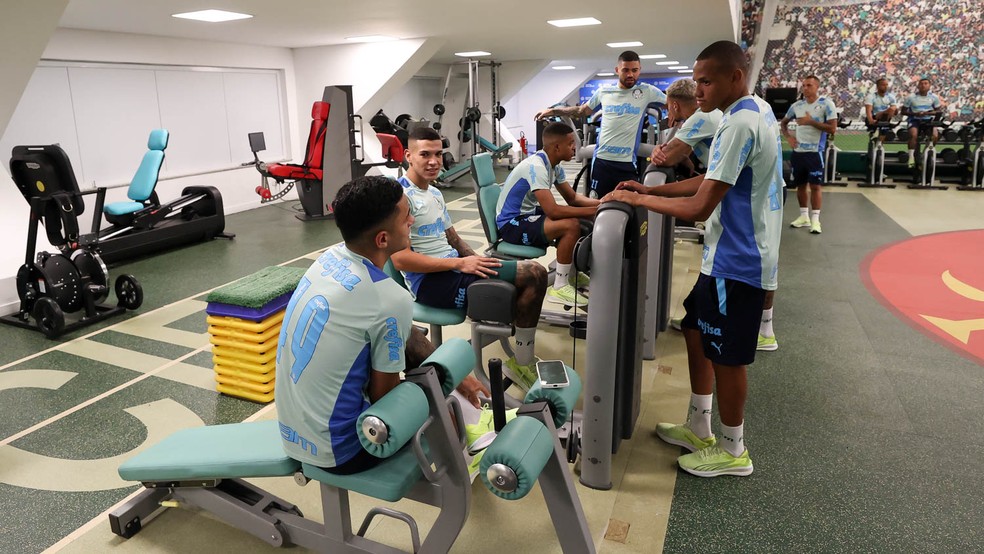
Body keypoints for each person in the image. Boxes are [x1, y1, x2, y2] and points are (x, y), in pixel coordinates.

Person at [602, 40, 783, 477]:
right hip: (725, 254)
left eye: (706, 82)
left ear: (734, 78)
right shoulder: (753, 109)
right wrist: (649, 189)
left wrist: (642, 202)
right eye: (696, 81)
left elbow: (700, 207)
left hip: (738, 261)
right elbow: (709, 180)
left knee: (727, 356)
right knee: (693, 329)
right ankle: (700, 426)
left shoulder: (740, 122)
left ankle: (733, 450)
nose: (697, 91)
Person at [275, 175, 490, 476]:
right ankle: (465, 455)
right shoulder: (390, 298)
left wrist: (457, 378)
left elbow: (400, 331)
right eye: (406, 218)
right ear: (383, 240)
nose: (413, 219)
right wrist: (444, 389)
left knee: (435, 371)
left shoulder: (328, 258)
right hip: (345, 449)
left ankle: (465, 404)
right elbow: (384, 398)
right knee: (436, 397)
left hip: (294, 432)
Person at [391, 127, 549, 391]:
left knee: (531, 274)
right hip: (429, 284)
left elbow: (453, 239)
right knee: (533, 274)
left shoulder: (435, 193)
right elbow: (401, 260)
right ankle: (521, 362)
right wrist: (460, 264)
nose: (433, 161)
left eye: (438, 154)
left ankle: (521, 358)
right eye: (425, 154)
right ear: (409, 155)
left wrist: (479, 262)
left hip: (453, 269)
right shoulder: (400, 197)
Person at [534, 50, 666, 199]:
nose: (630, 75)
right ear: (617, 70)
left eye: (634, 70)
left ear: (639, 70)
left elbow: (672, 103)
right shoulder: (604, 92)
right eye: (626, 70)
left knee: (630, 206)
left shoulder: (646, 91)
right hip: (602, 162)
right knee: (598, 205)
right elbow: (581, 110)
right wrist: (553, 111)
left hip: (627, 163)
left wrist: (676, 117)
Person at [495, 121, 598, 307]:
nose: (575, 147)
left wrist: (603, 203)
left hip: (527, 214)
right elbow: (553, 211)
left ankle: (571, 274)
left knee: (585, 224)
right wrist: (594, 210)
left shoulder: (554, 165)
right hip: (511, 224)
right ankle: (559, 285)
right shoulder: (537, 167)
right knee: (571, 225)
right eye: (571, 143)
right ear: (557, 147)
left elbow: (573, 198)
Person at [781, 75, 837, 235]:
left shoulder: (826, 104)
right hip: (798, 153)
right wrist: (789, 138)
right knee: (800, 186)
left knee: (815, 186)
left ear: (817, 87)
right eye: (804, 85)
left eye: (809, 85)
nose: (805, 88)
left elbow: (832, 129)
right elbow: (784, 123)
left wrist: (810, 121)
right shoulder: (796, 105)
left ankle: (815, 220)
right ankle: (804, 216)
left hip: (815, 153)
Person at [902, 77, 944, 167]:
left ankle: (924, 153)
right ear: (918, 86)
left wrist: (927, 113)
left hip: (928, 120)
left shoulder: (934, 97)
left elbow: (939, 111)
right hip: (914, 119)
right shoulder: (911, 97)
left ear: (929, 86)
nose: (923, 85)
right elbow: (903, 111)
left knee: (935, 136)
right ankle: (911, 157)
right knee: (913, 135)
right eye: (921, 83)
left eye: (926, 83)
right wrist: (915, 114)